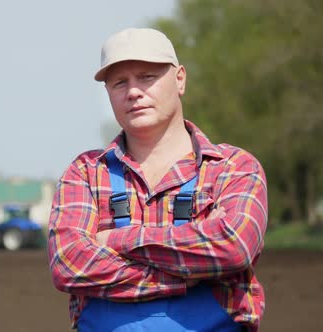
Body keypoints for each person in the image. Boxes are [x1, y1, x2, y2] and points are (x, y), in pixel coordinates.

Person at [47, 28, 267, 332]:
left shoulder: (233, 167)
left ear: (180, 79)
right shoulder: (84, 172)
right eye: (119, 82)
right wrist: (190, 270)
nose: (133, 91)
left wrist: (115, 240)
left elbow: (232, 247)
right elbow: (70, 265)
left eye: (146, 77)